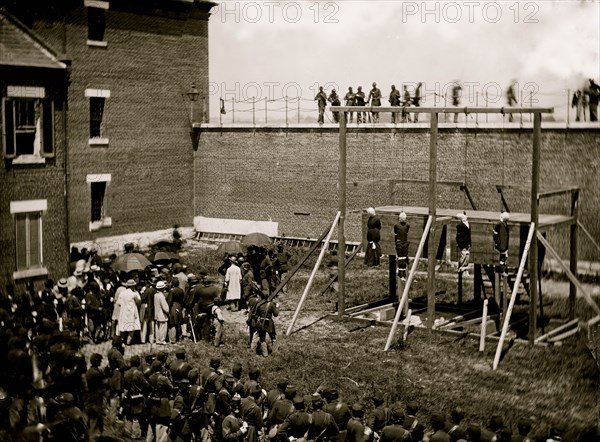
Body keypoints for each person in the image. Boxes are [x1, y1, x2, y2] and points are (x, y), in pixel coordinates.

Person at [249, 288, 279, 357]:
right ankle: (270, 351)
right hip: (269, 323)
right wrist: (277, 307)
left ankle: (256, 351)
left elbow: (255, 314)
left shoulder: (259, 304)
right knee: (272, 337)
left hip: (260, 322)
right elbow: (276, 314)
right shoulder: (271, 304)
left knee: (260, 338)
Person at [117, 279, 141, 345]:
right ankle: (128, 342)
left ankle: (122, 341)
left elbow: (119, 303)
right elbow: (139, 302)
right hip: (131, 311)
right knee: (131, 328)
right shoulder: (134, 294)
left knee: (123, 327)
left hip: (123, 312)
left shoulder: (122, 293)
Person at [394, 212, 410, 280]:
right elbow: (407, 232)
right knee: (404, 258)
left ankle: (400, 274)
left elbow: (395, 232)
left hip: (399, 243)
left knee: (400, 258)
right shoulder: (407, 225)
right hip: (405, 243)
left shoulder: (396, 225)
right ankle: (404, 274)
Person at [153, 280, 170, 345]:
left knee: (157, 327)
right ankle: (162, 340)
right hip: (162, 314)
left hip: (156, 313)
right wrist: (168, 311)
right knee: (162, 328)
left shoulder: (155, 295)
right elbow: (165, 307)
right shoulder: (161, 296)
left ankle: (157, 340)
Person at [455, 212, 471, 276]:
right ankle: (463, 269)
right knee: (464, 255)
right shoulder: (460, 225)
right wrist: (459, 242)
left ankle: (464, 269)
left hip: (466, 242)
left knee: (466, 255)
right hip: (464, 242)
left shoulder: (465, 224)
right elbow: (459, 235)